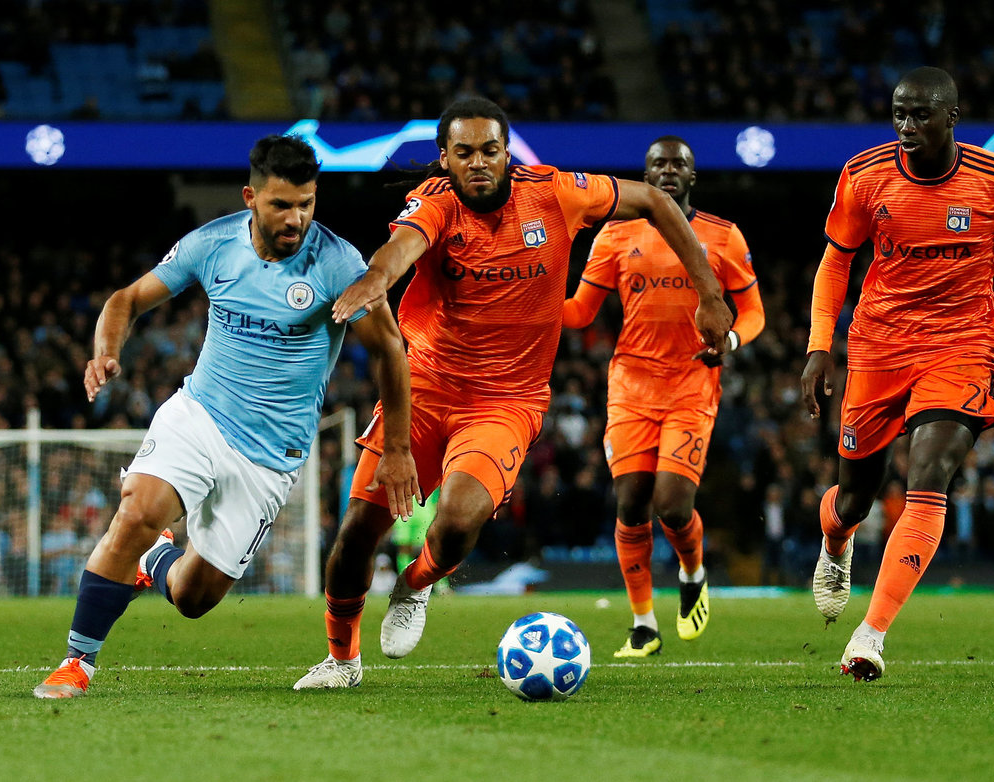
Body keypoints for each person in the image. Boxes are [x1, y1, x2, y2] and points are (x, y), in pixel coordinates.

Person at [294, 96, 733, 689]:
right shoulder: (436, 203)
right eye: (464, 152)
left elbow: (656, 201)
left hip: (506, 401)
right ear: (444, 158)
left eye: (490, 150)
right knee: (354, 537)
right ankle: (341, 661)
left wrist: (709, 293)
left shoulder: (557, 193)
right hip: (424, 388)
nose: (478, 162)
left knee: (457, 521)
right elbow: (401, 249)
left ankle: (415, 584)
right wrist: (376, 277)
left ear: (507, 153)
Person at [33, 135, 419, 698]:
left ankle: (156, 559)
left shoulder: (338, 263)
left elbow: (389, 350)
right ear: (249, 197)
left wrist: (398, 447)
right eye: (281, 205)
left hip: (270, 456)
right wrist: (105, 351)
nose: (296, 219)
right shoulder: (213, 244)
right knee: (136, 511)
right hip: (200, 415)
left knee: (194, 597)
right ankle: (78, 661)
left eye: (307, 203)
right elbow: (126, 299)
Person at [801, 67, 994, 682]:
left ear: (951, 118)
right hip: (878, 346)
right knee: (854, 498)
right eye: (899, 114)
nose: (907, 126)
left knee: (931, 470)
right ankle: (835, 542)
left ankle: (869, 636)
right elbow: (835, 262)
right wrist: (818, 346)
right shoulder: (865, 176)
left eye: (920, 114)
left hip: (962, 346)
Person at [563, 136, 765, 657]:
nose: (669, 170)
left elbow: (753, 313)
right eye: (659, 163)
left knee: (672, 506)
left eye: (679, 164)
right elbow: (581, 311)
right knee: (631, 503)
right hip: (631, 385)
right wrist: (528, 303)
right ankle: (643, 625)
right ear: (646, 174)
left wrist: (731, 341)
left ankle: (692, 570)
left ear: (692, 176)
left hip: (691, 383)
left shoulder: (723, 236)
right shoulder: (615, 233)